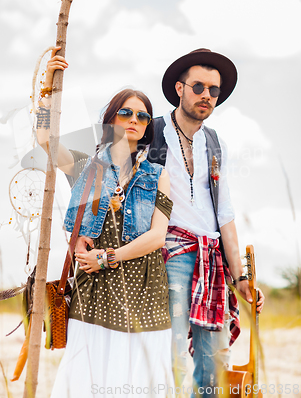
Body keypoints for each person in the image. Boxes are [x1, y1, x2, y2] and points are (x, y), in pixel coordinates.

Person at [36, 49, 175, 398]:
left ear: (147, 128)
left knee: (139, 377)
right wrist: (47, 91)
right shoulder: (87, 168)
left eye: (143, 117)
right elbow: (43, 141)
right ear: (109, 119)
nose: (135, 120)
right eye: (126, 112)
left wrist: (107, 256)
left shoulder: (158, 176)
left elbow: (158, 236)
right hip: (95, 291)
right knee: (89, 376)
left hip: (144, 289)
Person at [146, 48, 265, 396]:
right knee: (172, 355)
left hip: (211, 260)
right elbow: (88, 161)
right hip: (169, 255)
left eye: (214, 90)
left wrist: (240, 276)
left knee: (215, 360)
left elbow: (224, 213)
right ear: (180, 88)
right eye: (199, 86)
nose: (207, 96)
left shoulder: (215, 144)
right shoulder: (148, 133)